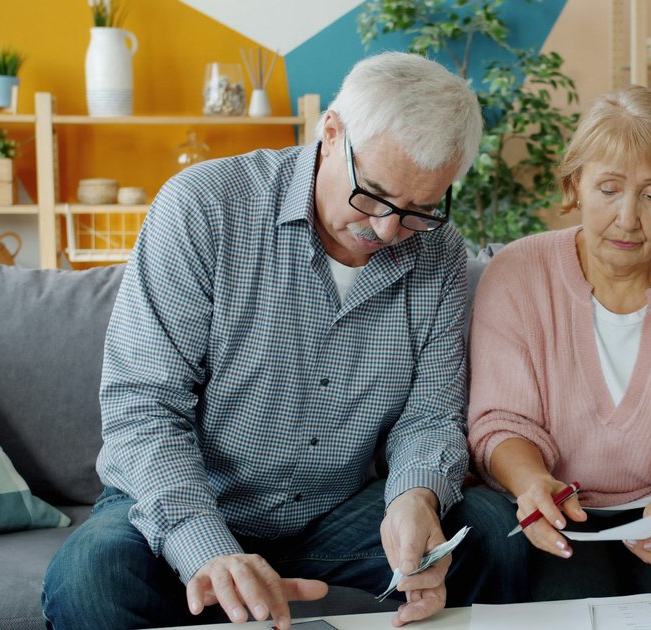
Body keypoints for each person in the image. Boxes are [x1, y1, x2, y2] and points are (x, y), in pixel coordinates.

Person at [42, 52, 526, 630]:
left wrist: (415, 498)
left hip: (335, 514)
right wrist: (208, 551)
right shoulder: (203, 208)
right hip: (193, 504)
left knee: (493, 534)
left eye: (420, 209)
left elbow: (429, 414)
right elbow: (143, 407)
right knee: (91, 578)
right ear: (331, 132)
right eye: (372, 194)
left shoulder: (440, 253)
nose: (388, 231)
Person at [467, 85, 651, 599]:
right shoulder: (515, 275)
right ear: (575, 183)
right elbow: (499, 422)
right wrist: (533, 483)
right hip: (558, 507)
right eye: (608, 189)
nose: (627, 218)